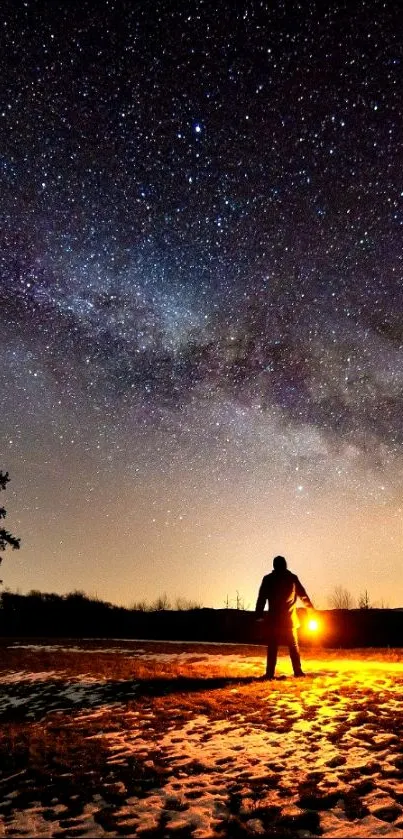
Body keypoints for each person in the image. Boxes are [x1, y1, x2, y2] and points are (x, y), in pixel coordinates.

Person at [255, 555, 314, 679]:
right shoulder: (292, 578)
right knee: (293, 646)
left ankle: (270, 674)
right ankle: (297, 671)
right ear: (285, 565)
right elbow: (303, 596)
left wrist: (258, 615)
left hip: (274, 620)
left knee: (273, 647)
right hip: (289, 620)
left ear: (274, 566)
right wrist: (311, 610)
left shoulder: (269, 579)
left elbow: (262, 598)